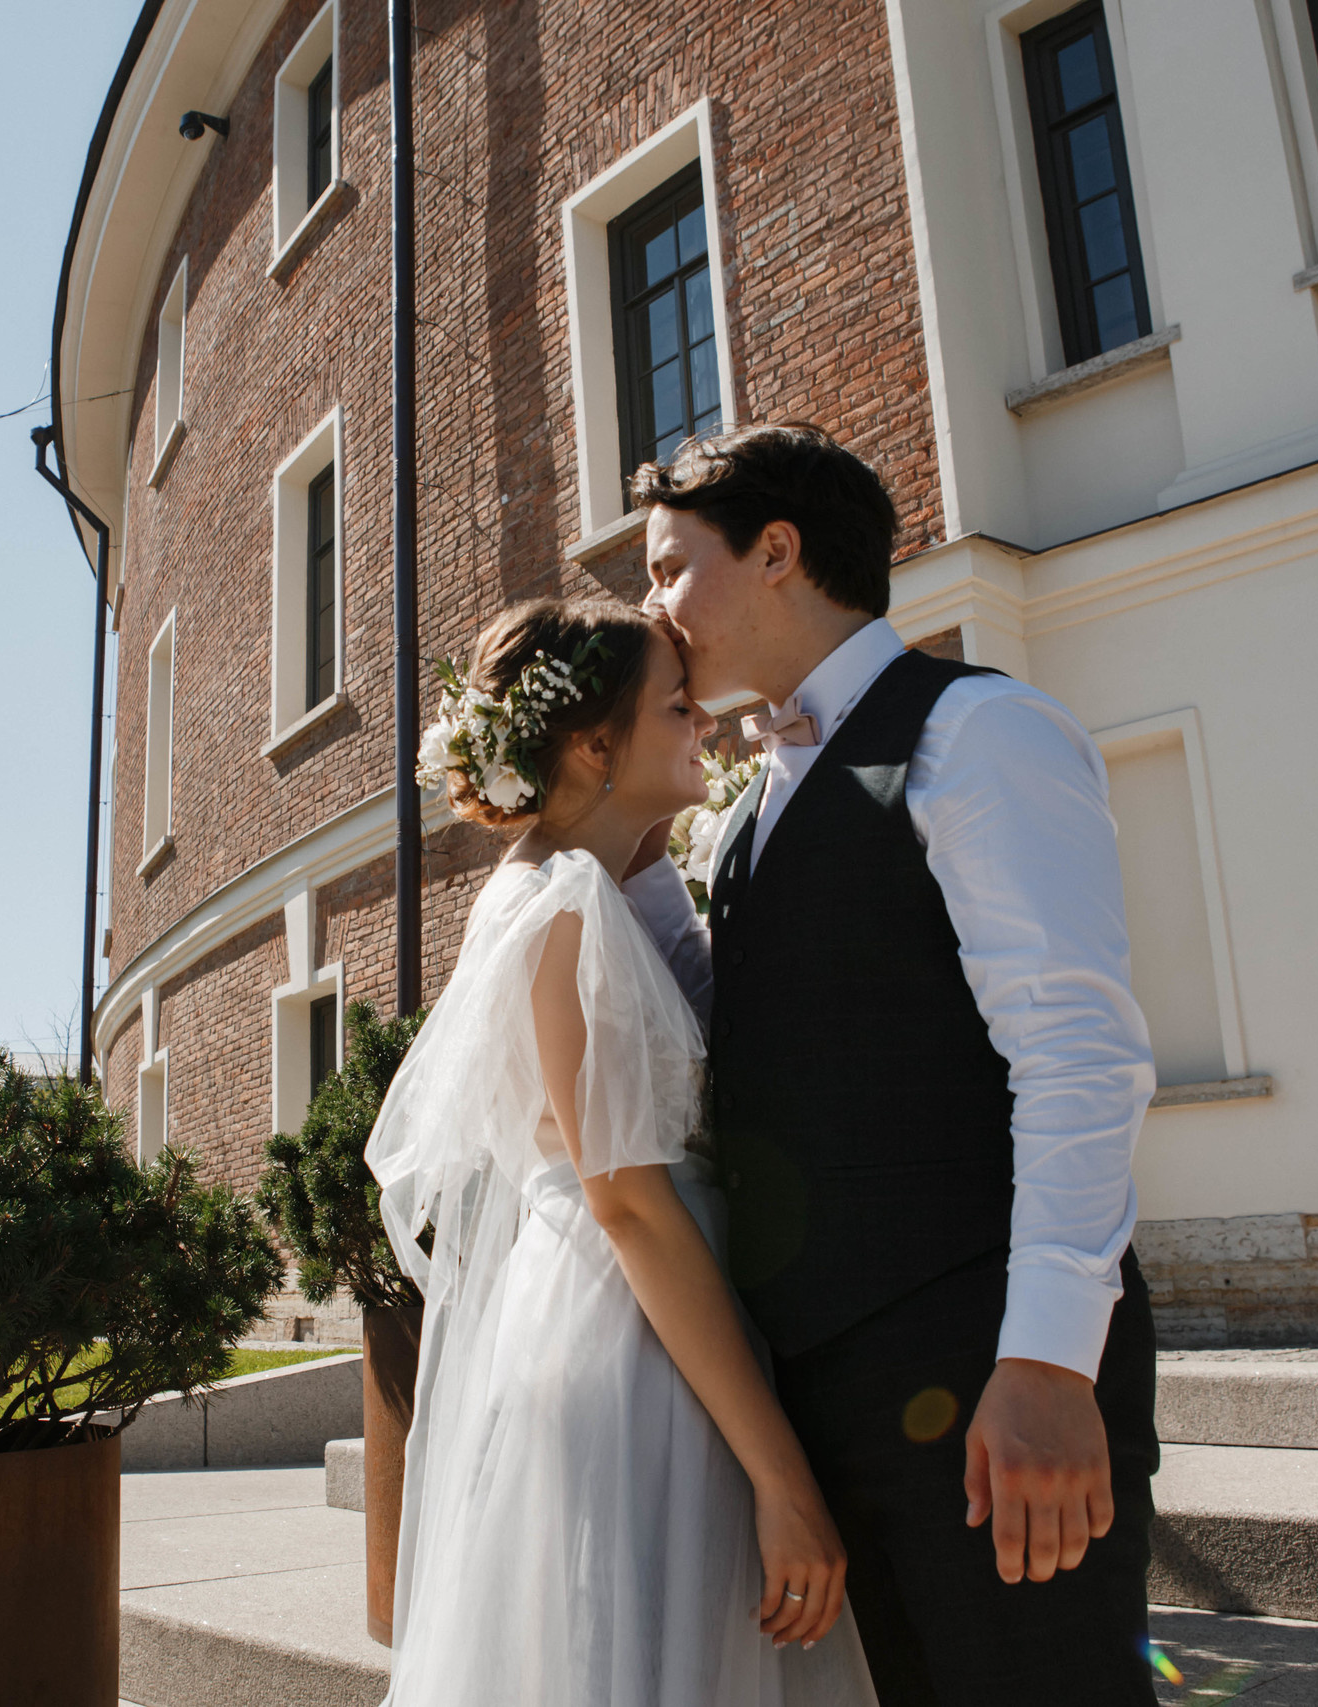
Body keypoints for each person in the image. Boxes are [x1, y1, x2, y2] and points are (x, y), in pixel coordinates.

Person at [622, 423, 1160, 1706]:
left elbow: (1079, 1056)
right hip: (825, 1379)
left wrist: (1043, 1363)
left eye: (666, 567)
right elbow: (763, 1027)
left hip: (981, 1364)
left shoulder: (977, 732)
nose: (652, 608)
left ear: (778, 552)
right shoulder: (754, 798)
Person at [367, 598, 873, 1707]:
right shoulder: (564, 913)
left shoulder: (582, 890)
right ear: (595, 746)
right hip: (632, 1348)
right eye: (678, 706)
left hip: (631, 1324)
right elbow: (630, 1206)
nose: (703, 724)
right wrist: (783, 1479)